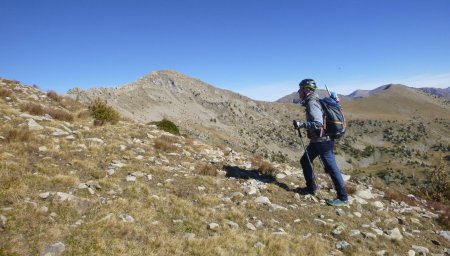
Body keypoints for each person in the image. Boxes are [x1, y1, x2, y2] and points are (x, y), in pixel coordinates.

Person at [293, 79, 348, 206]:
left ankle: (343, 198)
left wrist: (301, 125)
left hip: (323, 142)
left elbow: (317, 124)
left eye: (301, 88)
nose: (298, 91)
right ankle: (311, 188)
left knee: (331, 168)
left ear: (307, 90)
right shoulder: (314, 100)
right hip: (318, 141)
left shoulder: (312, 102)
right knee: (305, 161)